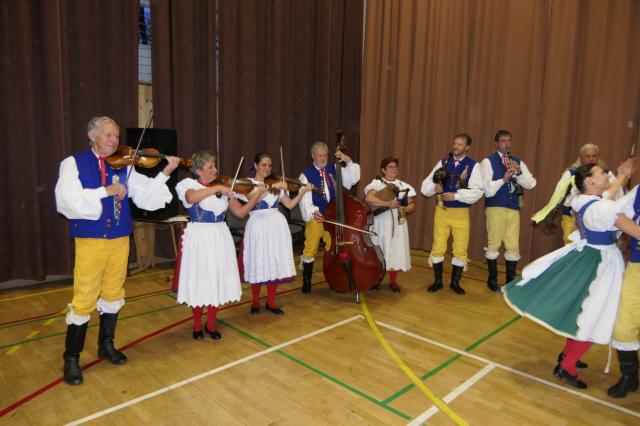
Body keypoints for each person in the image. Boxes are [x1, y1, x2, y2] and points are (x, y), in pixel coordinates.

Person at [54, 116, 180, 385]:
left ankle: (106, 345)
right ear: (93, 135)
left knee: (113, 292)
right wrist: (106, 190)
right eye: (109, 135)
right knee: (85, 297)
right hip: (91, 241)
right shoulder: (73, 163)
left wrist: (166, 172)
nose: (115, 141)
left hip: (121, 239)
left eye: (116, 136)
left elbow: (146, 196)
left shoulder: (125, 167)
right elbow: (67, 201)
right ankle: (72, 358)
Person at [503, 160, 637, 389]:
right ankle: (567, 365)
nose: (608, 175)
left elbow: (606, 200)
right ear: (589, 181)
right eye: (602, 173)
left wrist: (623, 176)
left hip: (590, 258)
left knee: (583, 311)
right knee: (595, 315)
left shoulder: (584, 200)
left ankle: (567, 356)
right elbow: (615, 210)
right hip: (600, 263)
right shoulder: (598, 208)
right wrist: (633, 189)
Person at [176, 151, 268, 340]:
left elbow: (240, 213)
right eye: (211, 167)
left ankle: (210, 323)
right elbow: (192, 198)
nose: (216, 169)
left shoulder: (224, 188)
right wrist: (218, 187)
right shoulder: (187, 185)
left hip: (220, 236)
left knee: (216, 278)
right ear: (199, 170)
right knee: (200, 279)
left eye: (215, 166)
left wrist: (255, 197)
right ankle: (196, 324)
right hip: (200, 237)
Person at [241, 153, 314, 314]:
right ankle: (255, 301)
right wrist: (272, 187)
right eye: (263, 165)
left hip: (276, 225)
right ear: (255, 165)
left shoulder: (275, 184)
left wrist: (302, 192)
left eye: (269, 165)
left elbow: (289, 205)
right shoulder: (247, 183)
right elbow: (255, 200)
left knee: (273, 261)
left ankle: (271, 302)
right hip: (258, 224)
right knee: (258, 259)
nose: (267, 168)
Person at [421, 133, 484, 295]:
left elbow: (478, 191)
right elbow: (426, 185)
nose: (456, 146)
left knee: (460, 248)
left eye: (460, 144)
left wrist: (457, 196)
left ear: (467, 147)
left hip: (461, 213)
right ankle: (438, 281)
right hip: (441, 211)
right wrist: (434, 188)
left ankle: (455, 282)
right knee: (438, 246)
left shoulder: (473, 165)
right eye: (455, 143)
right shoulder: (443, 162)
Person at [298, 141, 360, 293]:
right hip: (317, 217)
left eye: (325, 155)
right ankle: (307, 283)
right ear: (313, 156)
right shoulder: (305, 175)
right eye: (320, 155)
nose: (323, 158)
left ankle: (334, 277)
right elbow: (304, 199)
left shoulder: (334, 168)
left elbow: (352, 180)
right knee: (310, 248)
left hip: (333, 216)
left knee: (333, 246)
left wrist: (349, 161)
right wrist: (314, 212)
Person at [481, 130, 537, 292]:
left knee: (513, 245)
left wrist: (518, 173)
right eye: (503, 141)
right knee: (494, 243)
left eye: (508, 141)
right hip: (495, 206)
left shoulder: (517, 161)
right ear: (496, 143)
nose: (506, 144)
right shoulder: (487, 162)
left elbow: (531, 184)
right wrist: (504, 178)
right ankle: (492, 280)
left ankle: (510, 281)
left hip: (513, 208)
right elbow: (487, 190)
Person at [543, 144, 622, 244]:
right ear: (581, 158)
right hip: (573, 217)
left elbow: (618, 196)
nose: (591, 159)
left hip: (600, 218)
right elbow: (559, 195)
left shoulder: (607, 174)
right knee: (573, 246)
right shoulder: (571, 173)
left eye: (594, 156)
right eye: (588, 156)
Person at [364, 157, 416, 292]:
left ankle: (393, 282)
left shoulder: (403, 186)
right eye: (390, 167)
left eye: (395, 167)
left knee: (395, 249)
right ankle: (376, 281)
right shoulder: (377, 183)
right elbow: (369, 199)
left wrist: (405, 210)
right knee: (380, 251)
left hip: (398, 224)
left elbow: (411, 204)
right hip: (381, 223)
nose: (394, 169)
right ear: (383, 170)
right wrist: (387, 204)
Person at [608, 187, 640, 398]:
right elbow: (613, 214)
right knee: (622, 325)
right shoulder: (638, 192)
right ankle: (630, 375)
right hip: (637, 268)